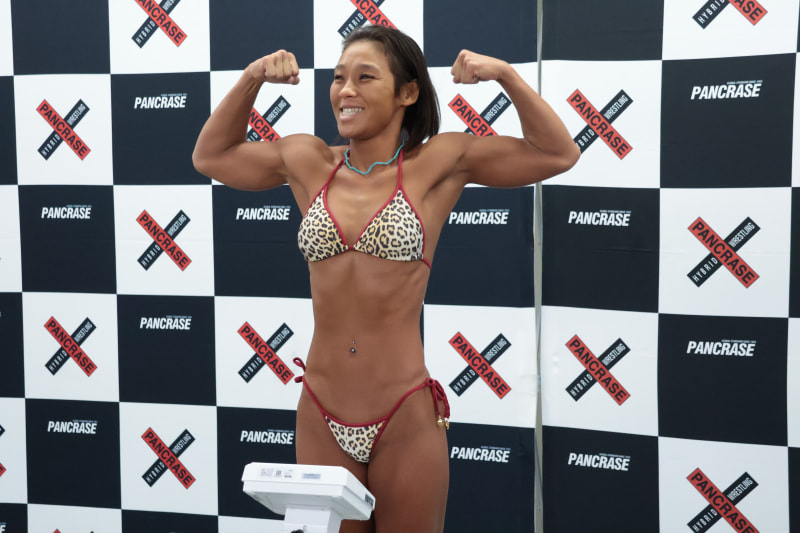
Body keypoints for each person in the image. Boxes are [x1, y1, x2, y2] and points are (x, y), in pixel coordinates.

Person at [193, 26, 579, 533]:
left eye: (365, 77)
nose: (345, 90)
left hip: (403, 413)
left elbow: (557, 153)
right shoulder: (308, 160)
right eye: (338, 78)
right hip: (321, 411)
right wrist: (252, 78)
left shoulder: (437, 162)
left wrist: (505, 75)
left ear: (407, 92)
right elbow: (211, 157)